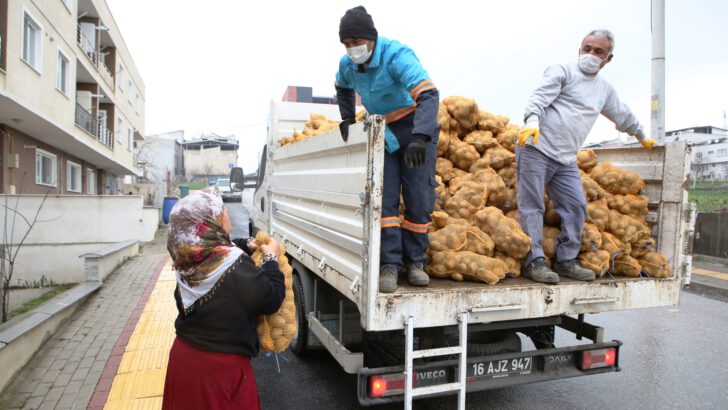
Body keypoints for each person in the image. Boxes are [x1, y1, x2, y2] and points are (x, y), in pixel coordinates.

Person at [516, 29, 656, 284]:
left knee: (576, 206)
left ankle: (566, 260)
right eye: (587, 48)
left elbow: (621, 114)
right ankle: (533, 261)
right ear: (580, 49)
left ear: (608, 59)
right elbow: (539, 97)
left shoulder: (604, 90)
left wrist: (641, 134)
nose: (591, 54)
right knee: (532, 206)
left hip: (566, 158)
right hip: (537, 147)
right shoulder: (562, 71)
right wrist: (533, 121)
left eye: (598, 51)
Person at [335, 6, 440, 293]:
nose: (352, 49)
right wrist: (346, 116)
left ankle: (416, 262)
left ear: (371, 38)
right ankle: (390, 265)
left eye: (357, 42)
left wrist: (420, 136)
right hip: (384, 133)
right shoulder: (348, 65)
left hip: (414, 126)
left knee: (419, 196)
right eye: (347, 44)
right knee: (386, 200)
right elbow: (341, 87)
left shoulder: (396, 55)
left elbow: (429, 94)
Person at [162, 188, 285, 410]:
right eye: (221, 210)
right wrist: (270, 258)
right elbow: (271, 298)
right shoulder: (234, 266)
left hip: (184, 362)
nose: (226, 212)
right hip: (220, 373)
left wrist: (246, 244)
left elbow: (220, 248)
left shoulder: (187, 255)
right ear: (210, 221)